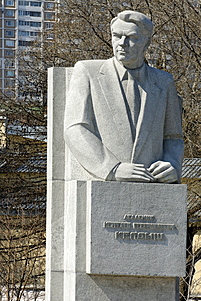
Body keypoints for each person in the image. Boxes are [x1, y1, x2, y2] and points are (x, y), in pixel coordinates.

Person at [64, 10, 184, 183]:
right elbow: (75, 128)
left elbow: (173, 137)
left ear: (147, 42)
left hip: (152, 183)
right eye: (116, 36)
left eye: (132, 38)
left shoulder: (164, 82)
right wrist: (112, 168)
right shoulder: (87, 72)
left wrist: (172, 164)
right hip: (103, 183)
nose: (122, 43)